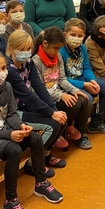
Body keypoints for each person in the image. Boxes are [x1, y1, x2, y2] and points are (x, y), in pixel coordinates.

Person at [0, 53, 63, 209]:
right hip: (3, 135)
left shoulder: (6, 87)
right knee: (14, 150)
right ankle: (10, 200)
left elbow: (12, 114)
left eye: (2, 68)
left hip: (6, 130)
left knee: (34, 138)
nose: (3, 72)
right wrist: (9, 134)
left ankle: (41, 183)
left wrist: (21, 126)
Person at [6, 30, 67, 171]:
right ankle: (33, 164)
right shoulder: (10, 70)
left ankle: (45, 156)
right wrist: (51, 113)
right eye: (21, 49)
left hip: (28, 107)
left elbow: (39, 87)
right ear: (10, 50)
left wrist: (54, 110)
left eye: (28, 49)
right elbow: (28, 96)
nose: (26, 52)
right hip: (16, 112)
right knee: (53, 125)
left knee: (61, 118)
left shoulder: (28, 62)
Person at [32, 27, 94, 150]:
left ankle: (67, 125)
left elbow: (61, 79)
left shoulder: (57, 56)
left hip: (58, 91)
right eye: (55, 48)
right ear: (45, 44)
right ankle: (62, 128)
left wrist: (74, 90)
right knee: (75, 104)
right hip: (46, 98)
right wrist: (61, 96)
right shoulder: (36, 61)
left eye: (59, 48)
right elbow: (38, 90)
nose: (57, 51)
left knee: (83, 99)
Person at [59, 18, 105, 132]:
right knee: (88, 98)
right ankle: (81, 131)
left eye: (80, 36)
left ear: (84, 36)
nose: (76, 38)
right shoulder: (60, 51)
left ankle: (96, 123)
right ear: (65, 35)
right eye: (73, 35)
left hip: (83, 80)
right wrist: (84, 85)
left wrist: (92, 80)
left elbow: (86, 68)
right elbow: (62, 78)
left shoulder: (82, 49)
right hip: (69, 84)